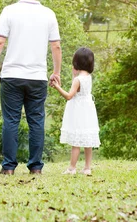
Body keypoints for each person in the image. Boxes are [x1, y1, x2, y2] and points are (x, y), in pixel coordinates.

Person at [0, 0, 62, 175]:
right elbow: (55, 46)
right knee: (36, 120)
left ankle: (9, 167)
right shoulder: (49, 14)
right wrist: (56, 72)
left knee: (11, 120)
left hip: (12, 75)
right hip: (37, 76)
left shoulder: (9, 11)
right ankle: (36, 167)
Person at [52, 47, 100, 176]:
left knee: (76, 141)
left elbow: (69, 96)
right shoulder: (88, 77)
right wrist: (75, 74)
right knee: (87, 140)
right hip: (87, 110)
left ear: (76, 62)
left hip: (78, 111)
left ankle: (72, 167)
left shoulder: (77, 80)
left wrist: (57, 87)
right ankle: (87, 168)